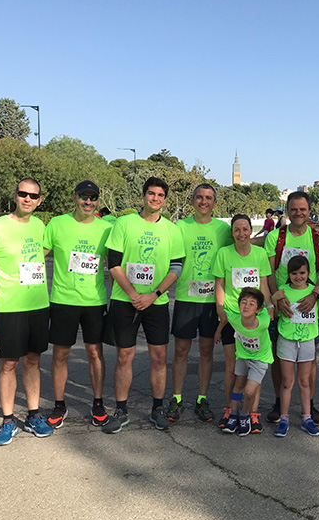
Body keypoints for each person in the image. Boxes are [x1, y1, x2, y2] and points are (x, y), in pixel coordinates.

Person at [102, 177, 186, 434]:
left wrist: (154, 293)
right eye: (151, 193)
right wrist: (132, 294)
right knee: (124, 356)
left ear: (164, 199)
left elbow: (176, 267)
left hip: (156, 302)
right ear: (143, 195)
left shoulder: (171, 229)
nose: (156, 198)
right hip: (124, 301)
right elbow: (113, 263)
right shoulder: (124, 223)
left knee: (158, 357)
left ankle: (157, 408)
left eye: (161, 195)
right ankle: (121, 409)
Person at [0, 178, 53, 445]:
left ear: (39, 200)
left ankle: (33, 416)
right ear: (15, 196)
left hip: (38, 307)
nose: (27, 199)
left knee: (33, 361)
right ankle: (8, 420)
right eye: (23, 194)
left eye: (33, 196)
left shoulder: (40, 226)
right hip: (9, 309)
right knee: (9, 363)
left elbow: (41, 252)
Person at [42, 180, 113, 429]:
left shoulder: (106, 228)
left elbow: (117, 263)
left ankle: (98, 403)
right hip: (63, 300)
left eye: (93, 198)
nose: (88, 202)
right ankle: (59, 405)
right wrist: (3, 272)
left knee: (95, 353)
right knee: (61, 354)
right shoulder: (57, 224)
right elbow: (36, 256)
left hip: (94, 301)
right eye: (84, 197)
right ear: (75, 197)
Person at [265, 191, 319, 425]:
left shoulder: (318, 238)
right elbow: (269, 272)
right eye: (294, 209)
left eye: (302, 209)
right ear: (288, 211)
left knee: (309, 360)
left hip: (308, 305)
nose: (298, 213)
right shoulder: (276, 237)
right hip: (283, 303)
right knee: (278, 355)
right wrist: (276, 298)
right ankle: (278, 402)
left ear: (309, 210)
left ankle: (309, 405)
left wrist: (315, 295)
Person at [169, 184, 232, 424]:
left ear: (214, 203)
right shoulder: (180, 226)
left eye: (208, 198)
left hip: (212, 300)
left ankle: (201, 399)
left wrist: (268, 239)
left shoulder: (223, 229)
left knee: (207, 351)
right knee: (181, 351)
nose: (203, 201)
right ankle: (176, 399)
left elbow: (241, 244)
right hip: (186, 298)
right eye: (199, 197)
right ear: (193, 201)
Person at [213, 214, 273, 431]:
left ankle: (253, 412)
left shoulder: (260, 253)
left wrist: (269, 307)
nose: (242, 234)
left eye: (245, 229)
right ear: (232, 233)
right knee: (234, 368)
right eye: (237, 230)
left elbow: (264, 285)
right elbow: (219, 283)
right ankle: (231, 409)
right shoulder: (224, 253)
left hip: (254, 319)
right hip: (231, 317)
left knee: (254, 368)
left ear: (251, 230)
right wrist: (220, 309)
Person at [272, 255, 319, 437]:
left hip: (307, 341)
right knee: (287, 382)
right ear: (288, 274)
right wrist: (274, 299)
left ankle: (307, 418)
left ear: (308, 273)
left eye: (302, 273)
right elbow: (274, 313)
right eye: (294, 273)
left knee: (304, 381)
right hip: (287, 340)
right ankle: (284, 418)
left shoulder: (314, 291)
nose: (298, 277)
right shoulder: (282, 290)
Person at [214, 288, 273, 436]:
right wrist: (218, 331)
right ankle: (234, 414)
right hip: (242, 357)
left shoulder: (263, 322)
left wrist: (273, 301)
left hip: (260, 360)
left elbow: (270, 312)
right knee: (238, 385)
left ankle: (245, 416)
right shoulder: (235, 318)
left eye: (252, 304)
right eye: (243, 302)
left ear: (258, 309)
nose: (246, 306)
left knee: (249, 391)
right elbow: (225, 318)